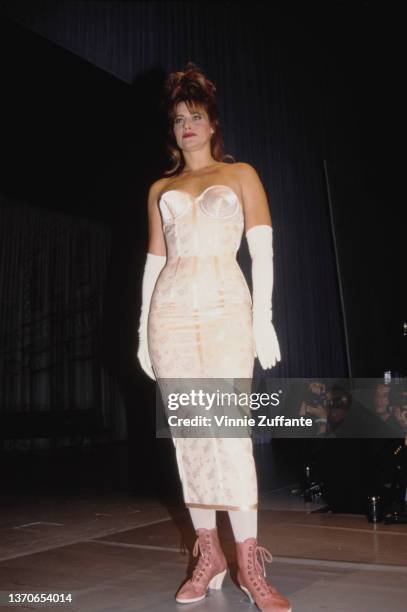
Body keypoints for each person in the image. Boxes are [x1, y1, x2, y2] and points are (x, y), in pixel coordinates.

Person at [137, 62, 291, 611]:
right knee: (190, 436)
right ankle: (210, 553)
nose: (187, 127)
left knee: (227, 434)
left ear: (212, 122)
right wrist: (141, 332)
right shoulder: (162, 188)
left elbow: (263, 251)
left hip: (226, 306)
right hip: (171, 315)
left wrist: (263, 317)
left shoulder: (241, 174)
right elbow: (155, 265)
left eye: (195, 116)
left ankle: (249, 560)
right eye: (178, 120)